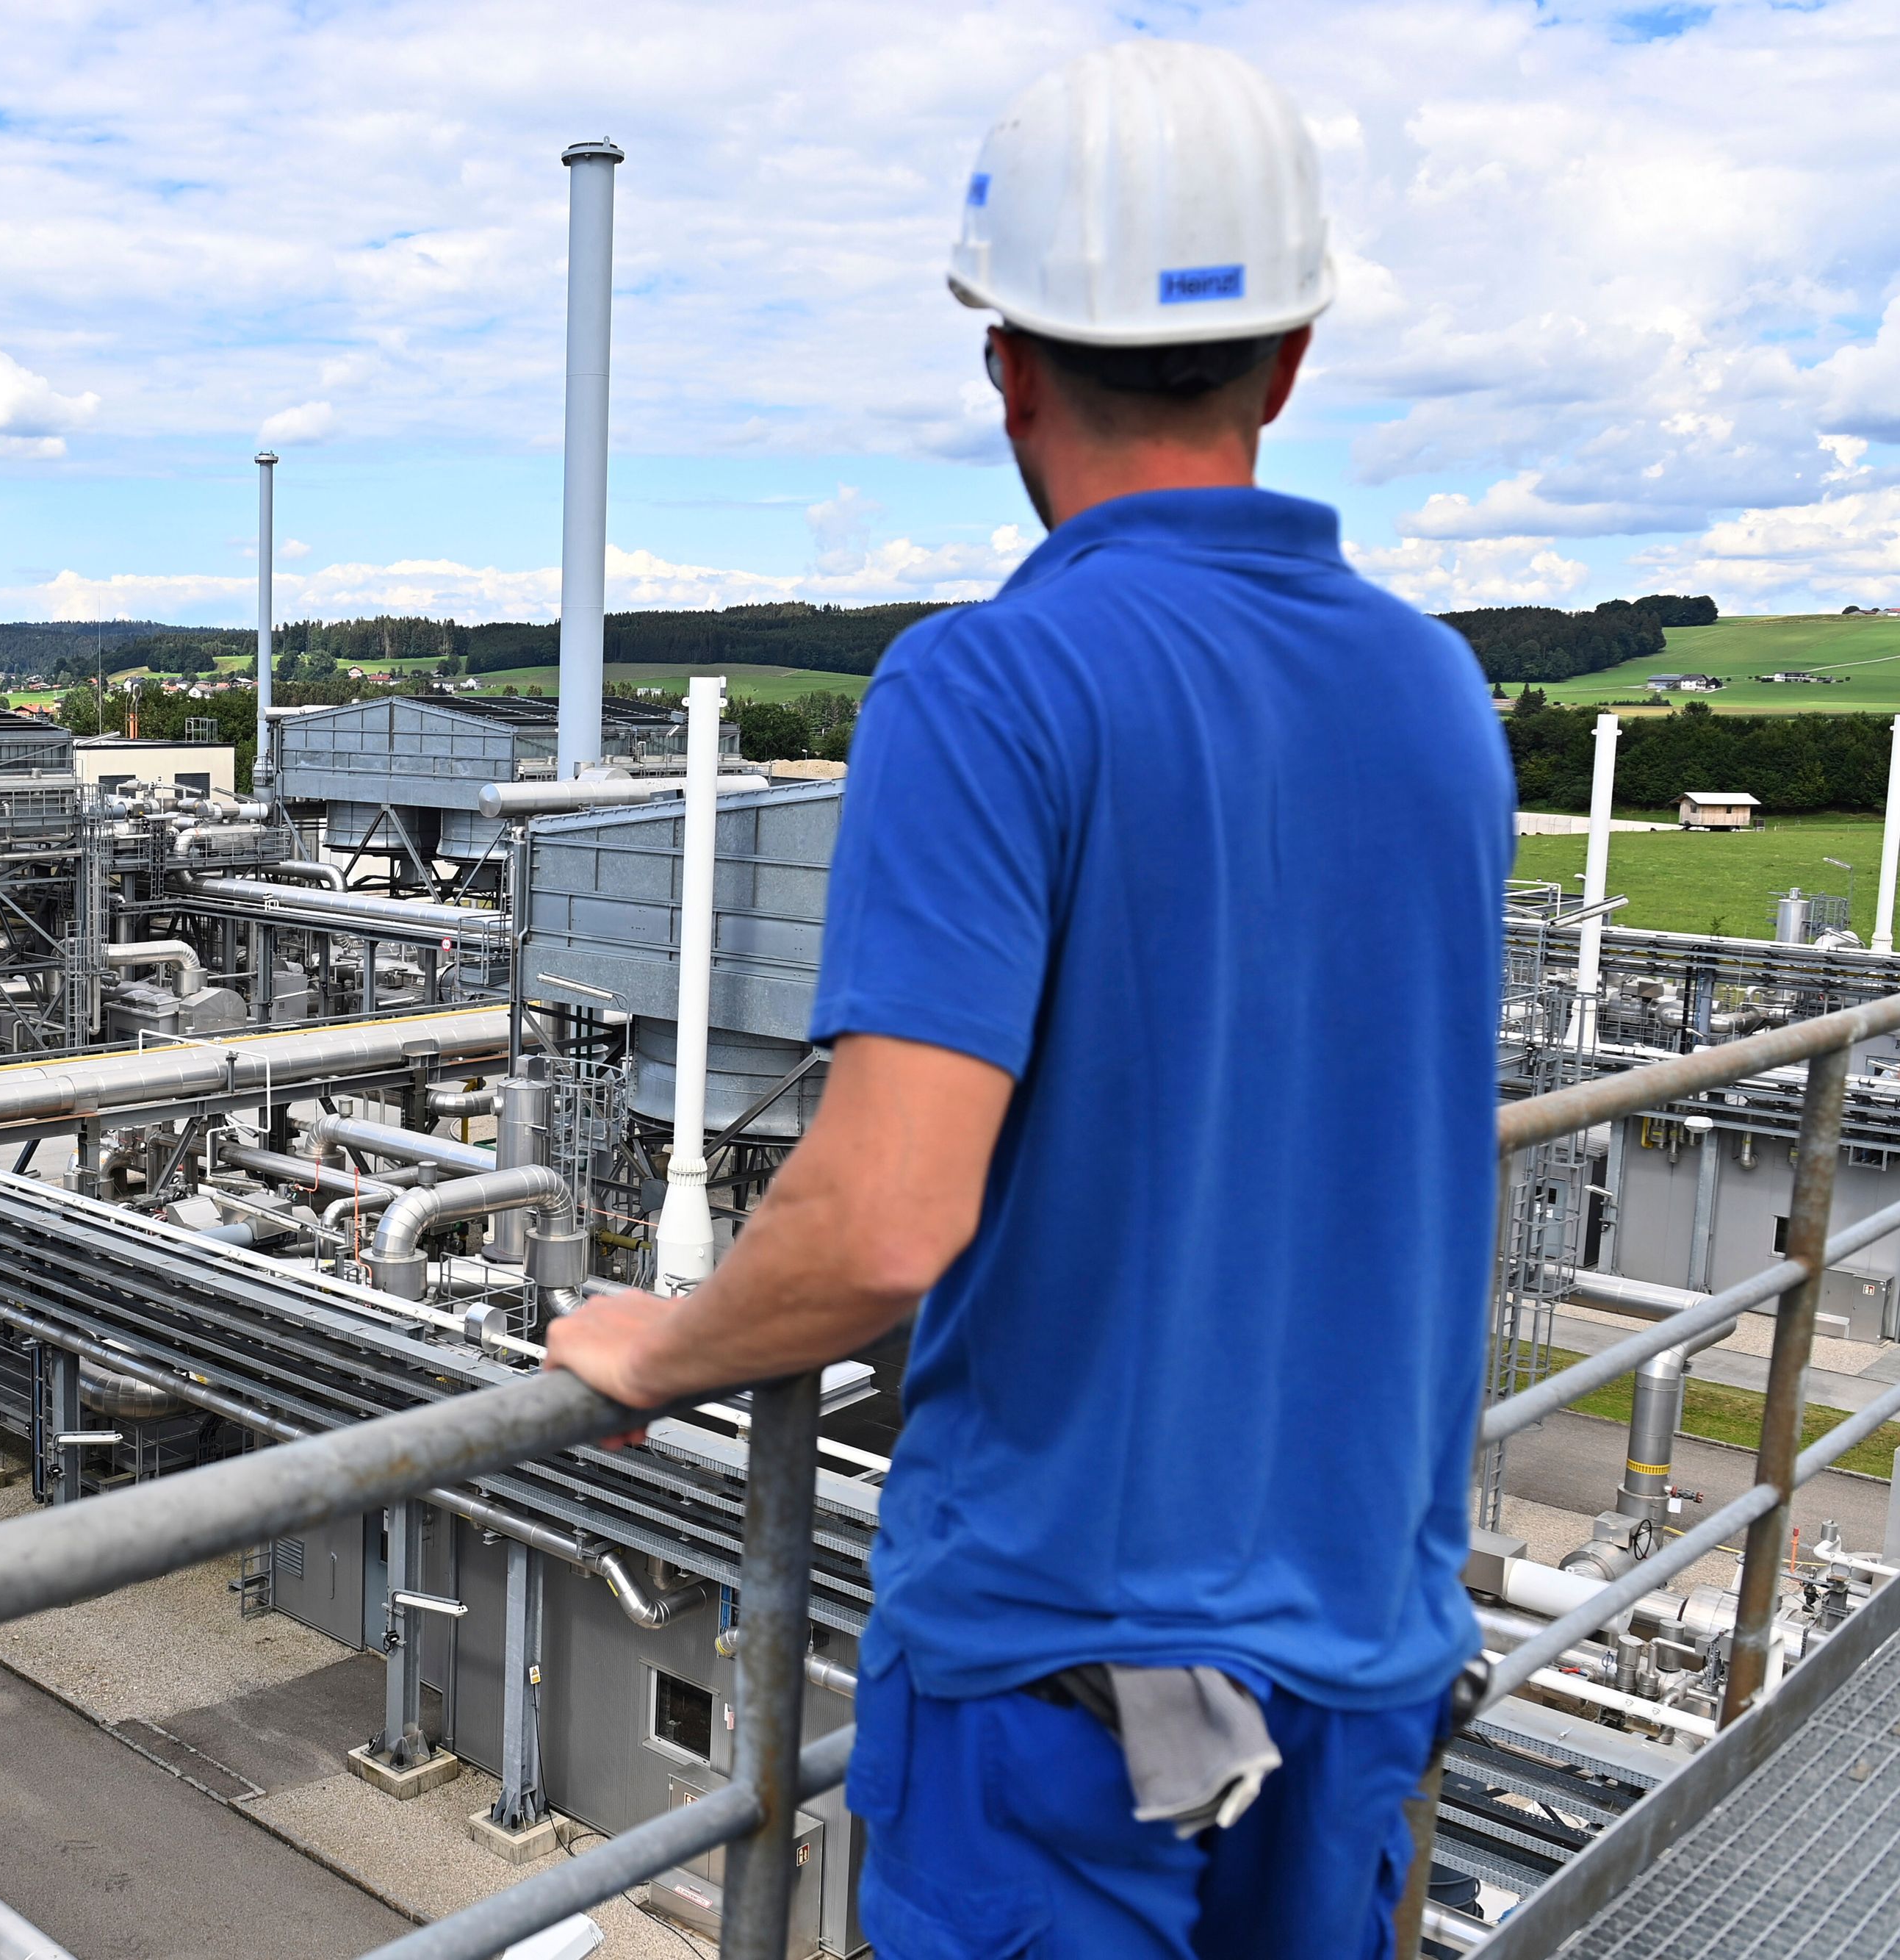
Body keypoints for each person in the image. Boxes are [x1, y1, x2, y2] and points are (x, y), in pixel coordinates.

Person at [543, 40, 1512, 1960]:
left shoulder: (990, 689)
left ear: (1004, 361)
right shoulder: (1440, 700)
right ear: (1294, 359)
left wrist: (663, 1346)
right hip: (1364, 1663)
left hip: (1068, 1693)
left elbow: (889, 1211)